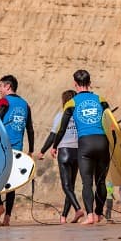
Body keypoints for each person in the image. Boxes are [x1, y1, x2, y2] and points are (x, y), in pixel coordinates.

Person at [50, 69, 111, 225]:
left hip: (85, 144)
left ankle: (90, 215)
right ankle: (98, 214)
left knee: (86, 183)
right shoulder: (101, 99)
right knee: (101, 182)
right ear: (90, 84)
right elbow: (111, 125)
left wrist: (54, 146)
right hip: (103, 142)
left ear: (75, 84)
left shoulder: (71, 103)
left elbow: (62, 129)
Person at [0, 75, 35, 226]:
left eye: (1, 86)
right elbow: (30, 129)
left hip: (1, 147)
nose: (0, 90)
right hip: (17, 149)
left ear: (8, 86)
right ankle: (7, 217)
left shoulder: (4, 101)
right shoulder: (25, 105)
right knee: (11, 184)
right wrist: (31, 150)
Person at [39, 90, 84, 224]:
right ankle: (64, 216)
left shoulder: (61, 115)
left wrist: (43, 150)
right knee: (70, 186)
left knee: (66, 186)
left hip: (64, 151)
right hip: (78, 151)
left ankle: (77, 209)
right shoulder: (80, 116)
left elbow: (54, 135)